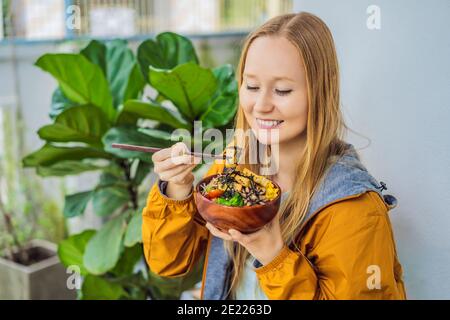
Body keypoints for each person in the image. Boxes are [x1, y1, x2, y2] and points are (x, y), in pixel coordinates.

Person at [142, 12, 407, 300]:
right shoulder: (235, 168)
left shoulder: (355, 209)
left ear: (322, 90)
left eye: (282, 90)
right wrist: (177, 190)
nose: (261, 105)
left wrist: (273, 255)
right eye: (252, 86)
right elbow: (168, 263)